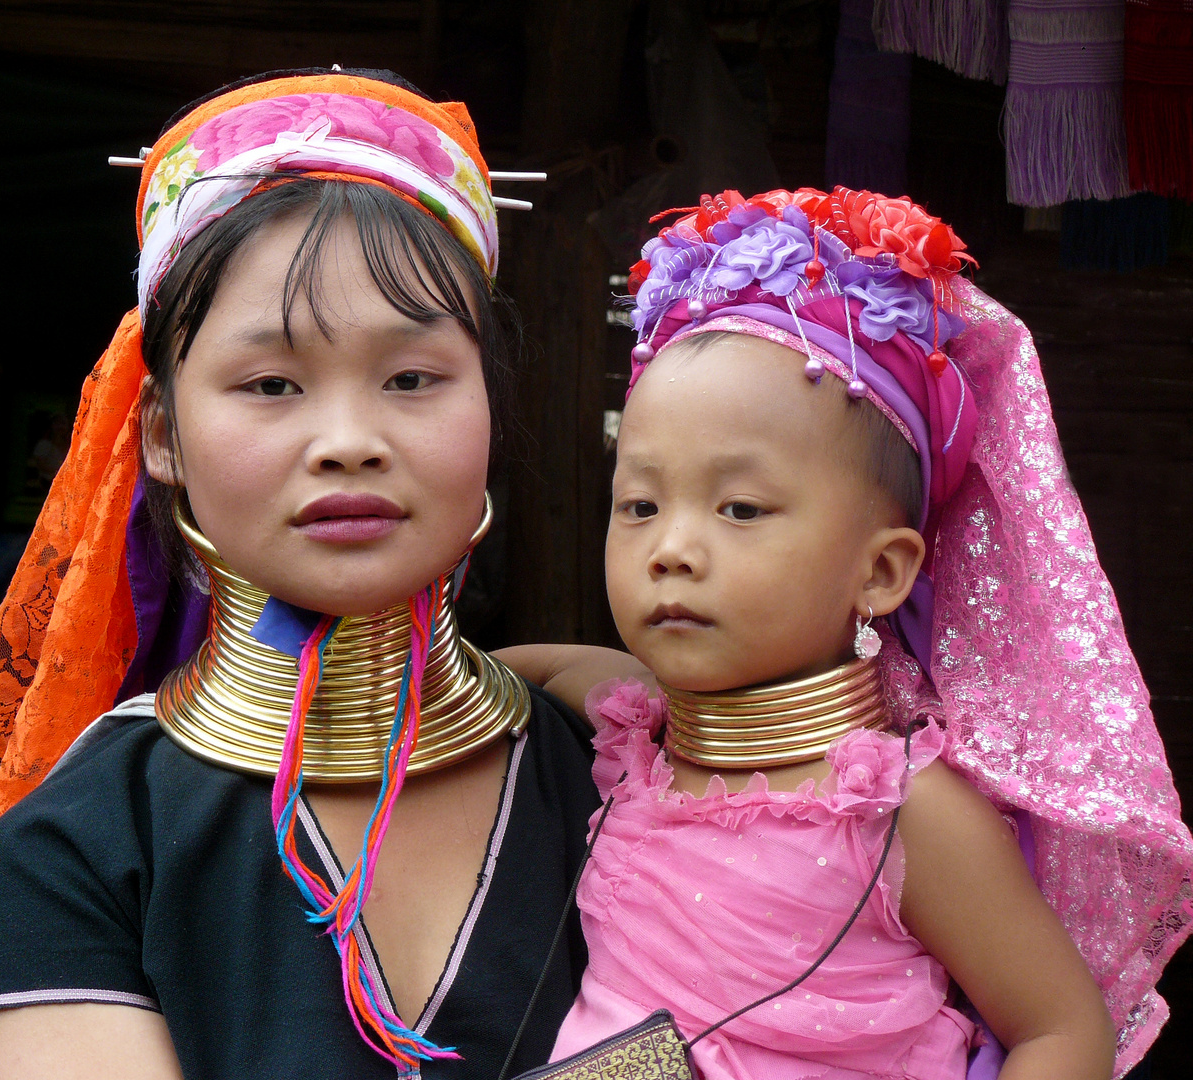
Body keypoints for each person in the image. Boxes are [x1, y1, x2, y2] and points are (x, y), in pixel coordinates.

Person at [0, 68, 641, 1080]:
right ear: (162, 438)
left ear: (489, 406)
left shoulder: (626, 780)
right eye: (271, 384)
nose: (350, 441)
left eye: (412, 379)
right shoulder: (78, 853)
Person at [499, 188, 1193, 1079]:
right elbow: (508, 671)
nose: (670, 548)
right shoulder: (635, 725)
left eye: (740, 508)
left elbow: (1063, 1030)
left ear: (881, 572)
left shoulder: (900, 809)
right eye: (638, 504)